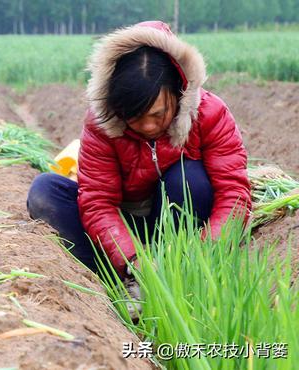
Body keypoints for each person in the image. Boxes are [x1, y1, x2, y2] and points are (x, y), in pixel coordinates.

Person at [27, 21, 251, 316]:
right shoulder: (101, 124)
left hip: (179, 226)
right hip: (122, 224)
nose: (147, 126)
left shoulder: (209, 113)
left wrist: (189, 254)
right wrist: (133, 259)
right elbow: (98, 203)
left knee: (189, 178)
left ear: (180, 90)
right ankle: (120, 283)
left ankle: (183, 277)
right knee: (45, 192)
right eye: (135, 116)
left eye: (158, 114)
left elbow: (235, 196)